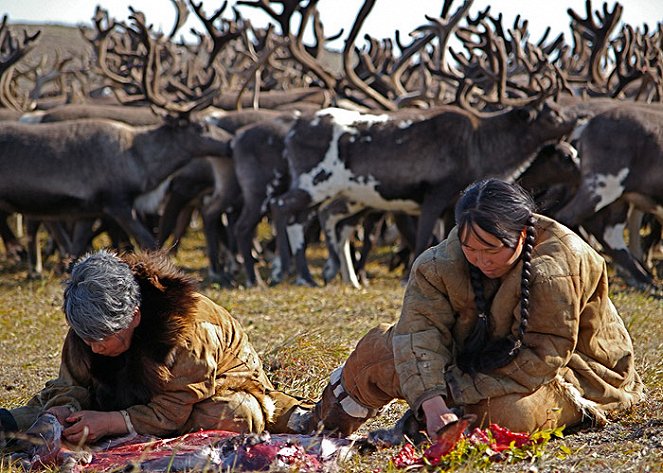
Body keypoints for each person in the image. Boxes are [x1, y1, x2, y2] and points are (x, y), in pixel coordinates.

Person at [306, 178, 645, 438]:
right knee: (376, 353)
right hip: (473, 360)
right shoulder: (439, 264)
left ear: (523, 236)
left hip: (571, 374)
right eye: (471, 248)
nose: (481, 259)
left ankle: (443, 424)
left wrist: (450, 394)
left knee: (500, 415)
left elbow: (543, 357)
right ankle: (320, 429)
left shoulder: (557, 265)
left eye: (492, 249)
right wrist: (433, 402)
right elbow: (418, 333)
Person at [0, 250, 310, 444]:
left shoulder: (191, 330)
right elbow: (73, 382)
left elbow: (174, 408)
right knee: (46, 418)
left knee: (231, 415)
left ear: (133, 317)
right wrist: (64, 410)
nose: (93, 348)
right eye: (86, 338)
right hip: (131, 400)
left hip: (206, 398)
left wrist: (111, 422)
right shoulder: (91, 324)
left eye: (102, 339)